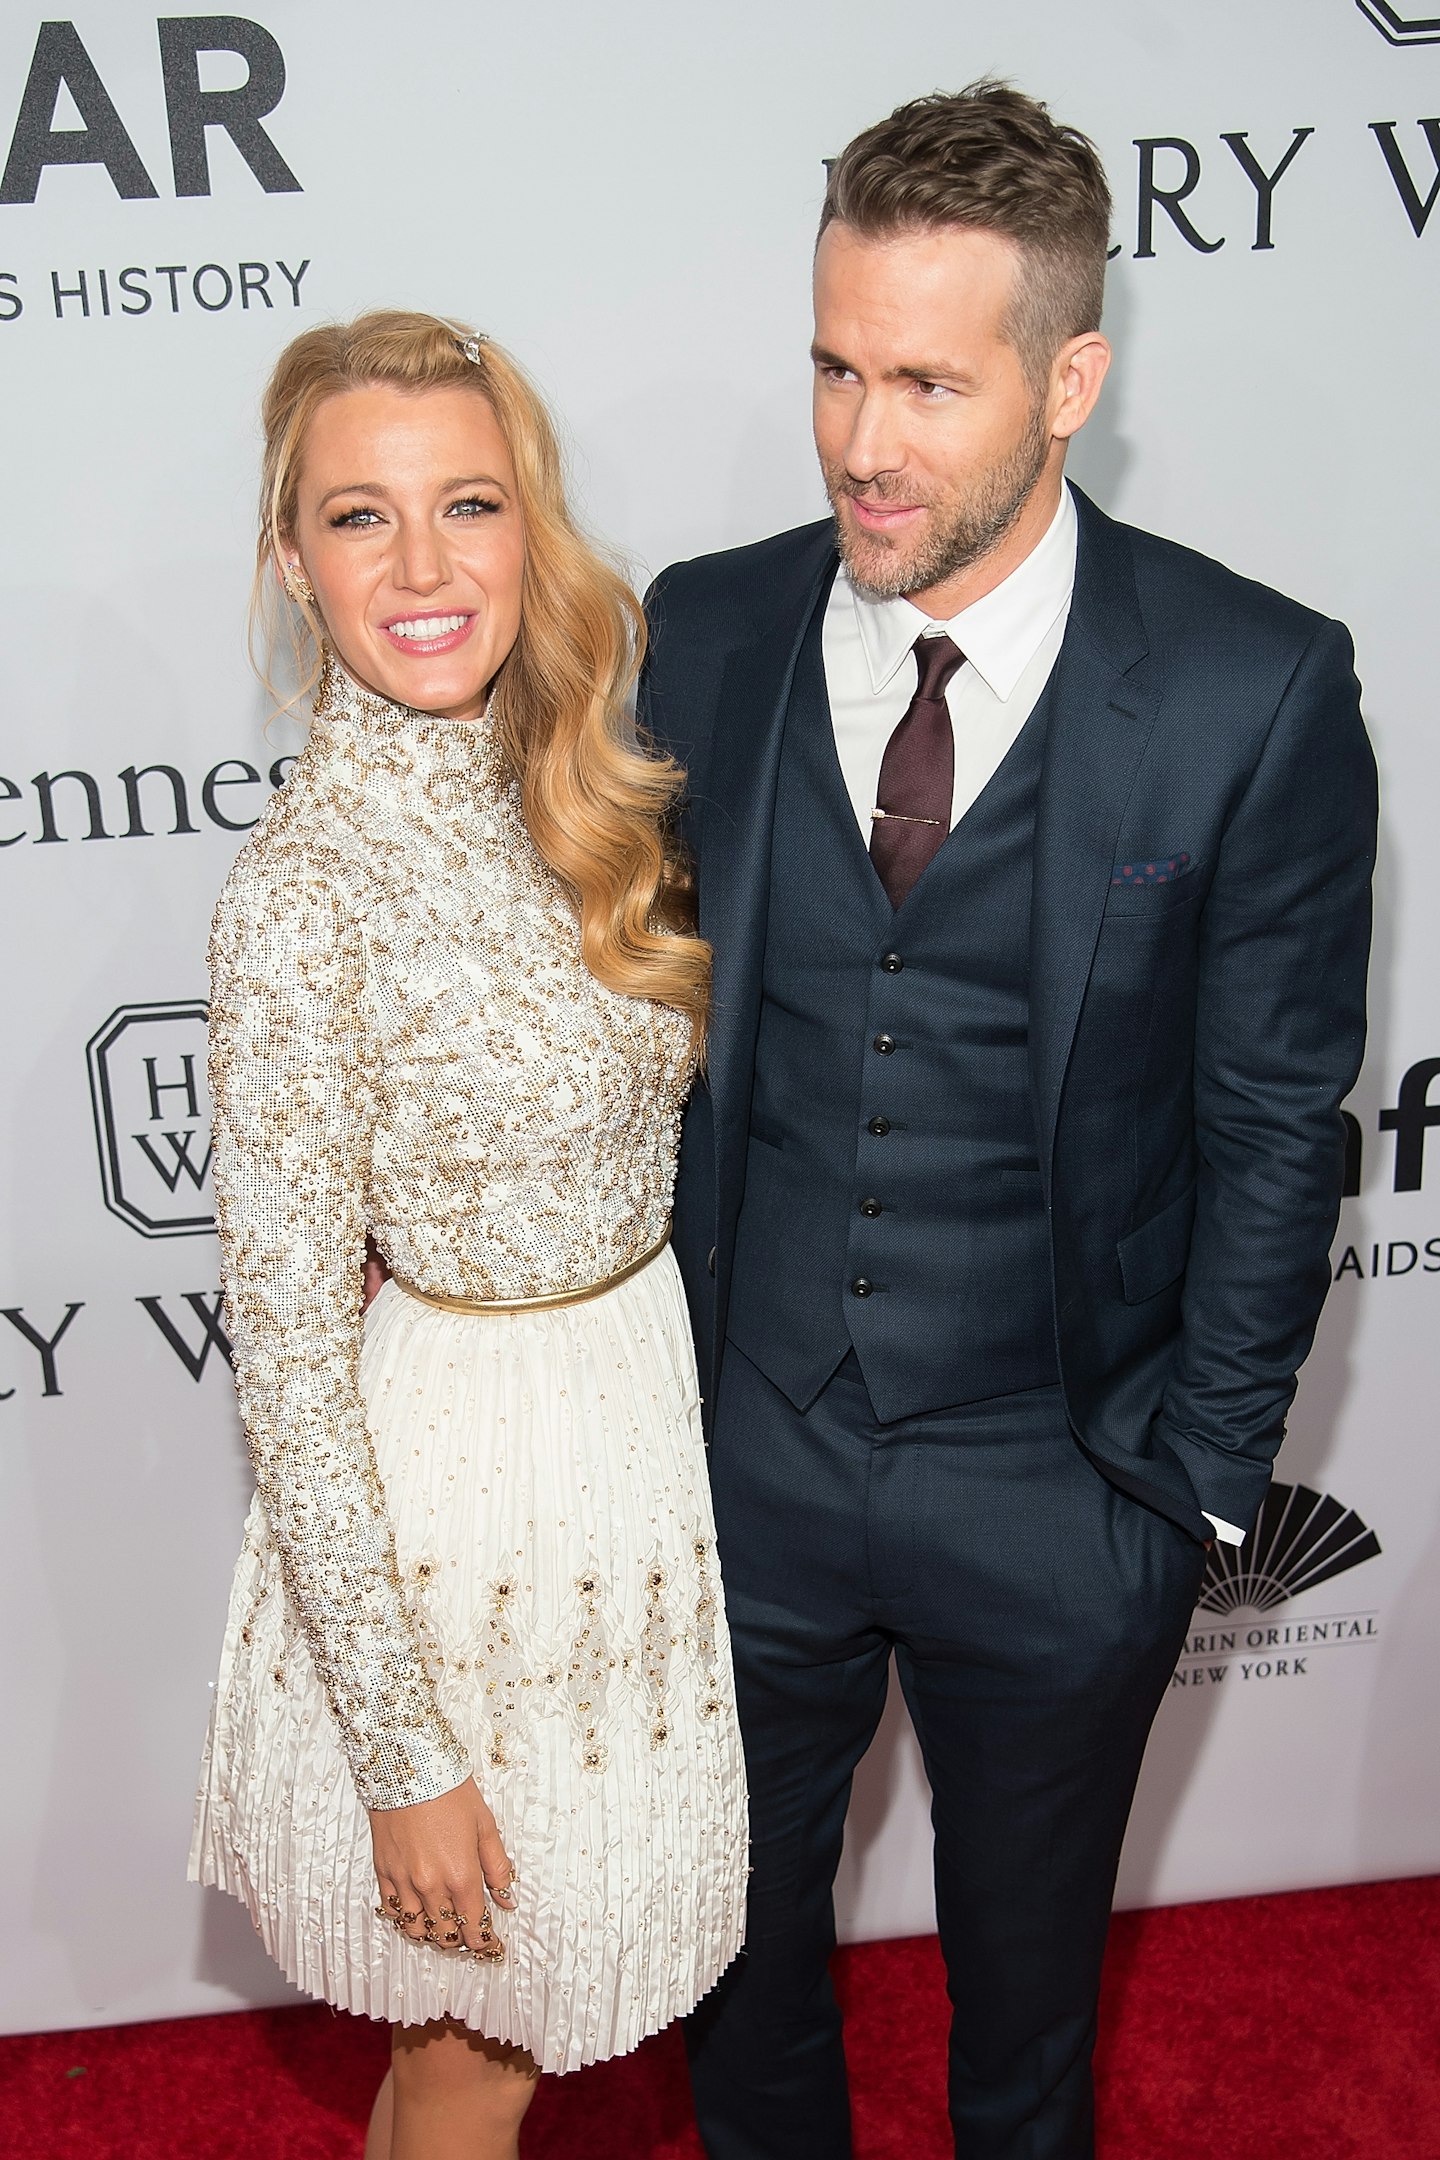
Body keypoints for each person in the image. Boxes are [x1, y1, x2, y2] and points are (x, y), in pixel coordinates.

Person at [639, 83, 1376, 2160]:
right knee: (736, 1992)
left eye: (930, 386)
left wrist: (1194, 1489)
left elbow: (1270, 1121)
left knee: (1027, 2044)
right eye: (834, 367)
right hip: (744, 1470)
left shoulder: (1252, 689)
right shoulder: (697, 634)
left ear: (1071, 381)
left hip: (1062, 1492)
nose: (864, 442)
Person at [190, 310, 747, 2160]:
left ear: (531, 525)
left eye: (469, 504)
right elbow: (284, 1355)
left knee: (491, 2047)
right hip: (459, 1521)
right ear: (294, 558)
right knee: (469, 2062)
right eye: (361, 518)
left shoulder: (578, 785)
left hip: (621, 1458)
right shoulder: (298, 901)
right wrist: (402, 1757)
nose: (424, 569)